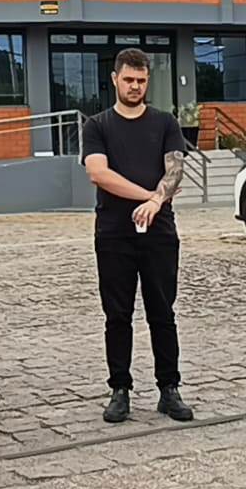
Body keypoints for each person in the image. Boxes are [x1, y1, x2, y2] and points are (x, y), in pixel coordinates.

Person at [81, 48, 192, 424]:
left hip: (159, 234)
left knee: (163, 312)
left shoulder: (165, 123)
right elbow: (98, 173)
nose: (135, 86)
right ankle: (120, 389)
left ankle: (169, 388)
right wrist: (149, 196)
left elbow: (175, 170)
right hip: (114, 233)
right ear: (115, 79)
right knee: (118, 315)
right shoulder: (97, 126)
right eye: (128, 79)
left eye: (141, 80)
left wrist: (158, 201)